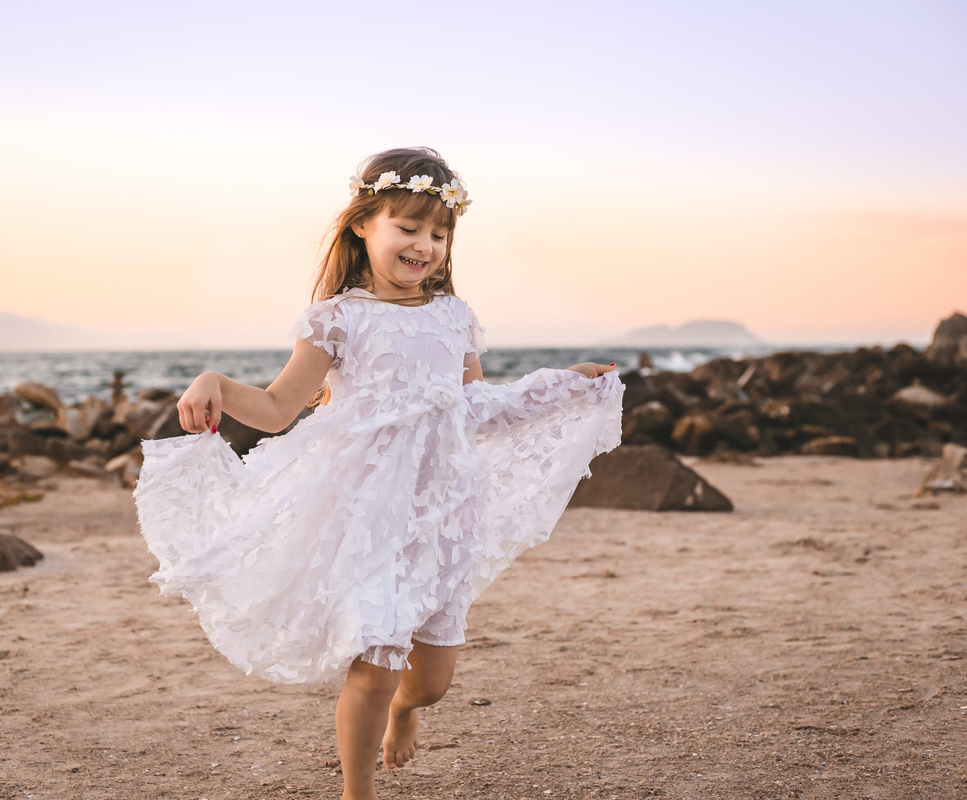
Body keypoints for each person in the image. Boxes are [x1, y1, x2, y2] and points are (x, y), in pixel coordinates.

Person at [134, 146, 624, 800]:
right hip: (367, 515)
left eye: (439, 233)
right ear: (364, 224)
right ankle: (356, 793)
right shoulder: (338, 319)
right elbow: (279, 410)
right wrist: (215, 382)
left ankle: (406, 710)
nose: (425, 246)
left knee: (430, 684)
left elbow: (475, 404)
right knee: (374, 669)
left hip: (446, 511)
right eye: (410, 228)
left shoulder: (455, 318)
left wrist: (564, 385)